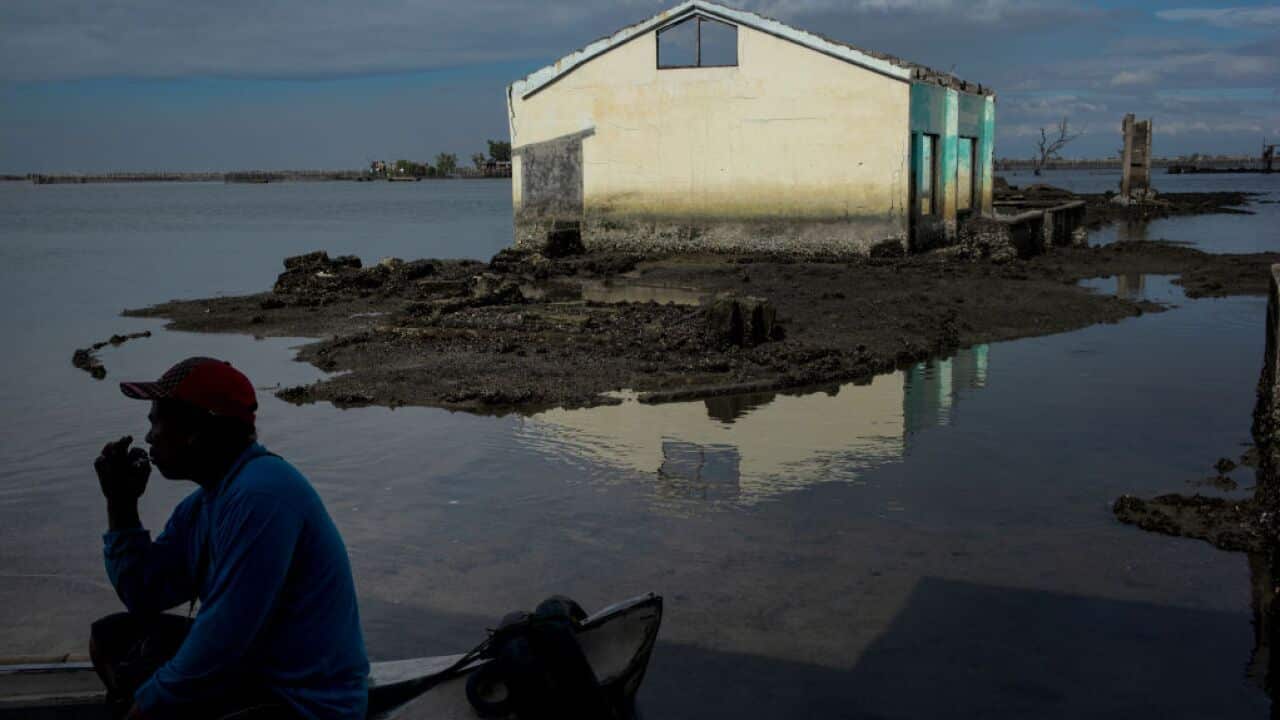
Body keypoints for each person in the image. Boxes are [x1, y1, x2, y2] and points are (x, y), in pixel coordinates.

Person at [91, 356, 369, 719]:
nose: (148, 437)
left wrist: (146, 705)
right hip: (253, 668)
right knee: (111, 640)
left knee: (155, 694)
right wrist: (121, 505)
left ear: (195, 429)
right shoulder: (207, 503)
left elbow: (222, 640)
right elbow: (144, 593)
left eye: (157, 421)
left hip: (300, 702)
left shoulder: (262, 496)